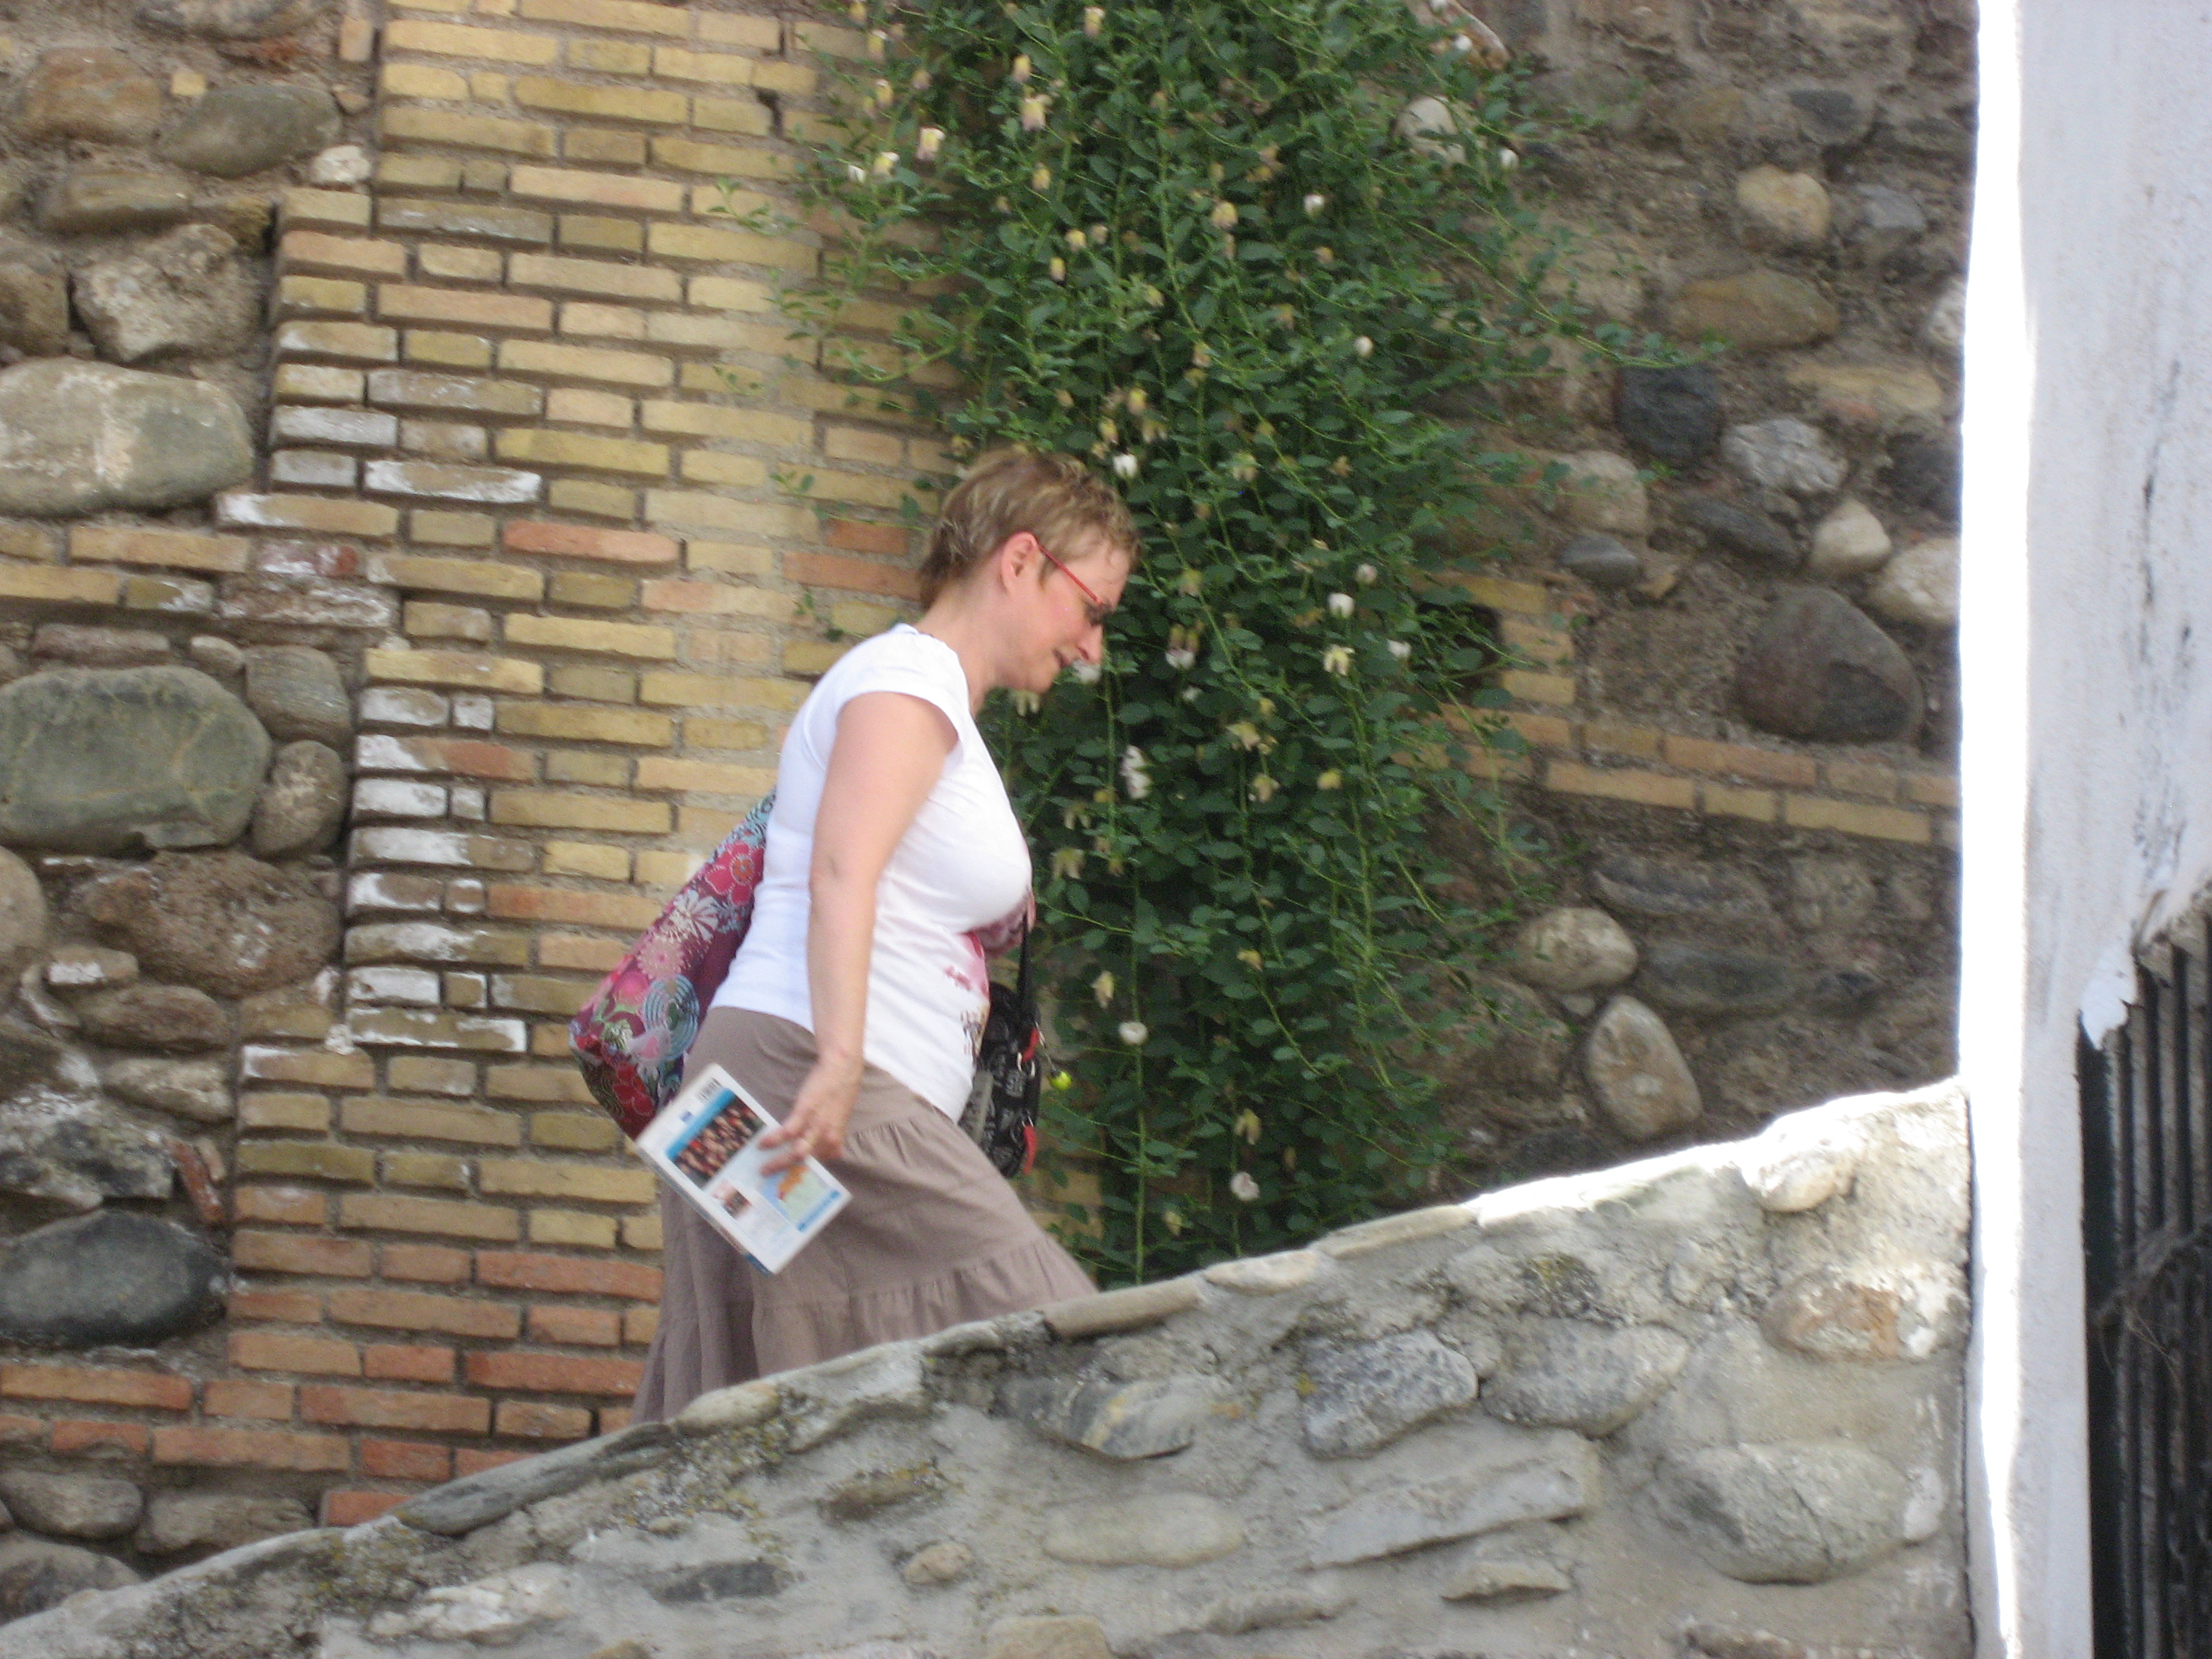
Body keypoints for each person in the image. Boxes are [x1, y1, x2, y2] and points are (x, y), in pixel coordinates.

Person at [632, 449, 1139, 1418]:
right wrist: (838, 1062)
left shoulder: (921, 696)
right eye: (1091, 609)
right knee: (1051, 1338)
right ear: (1019, 561)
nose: (1090, 648)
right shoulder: (907, 681)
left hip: (758, 1078)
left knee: (767, 1397)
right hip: (804, 1084)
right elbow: (841, 870)